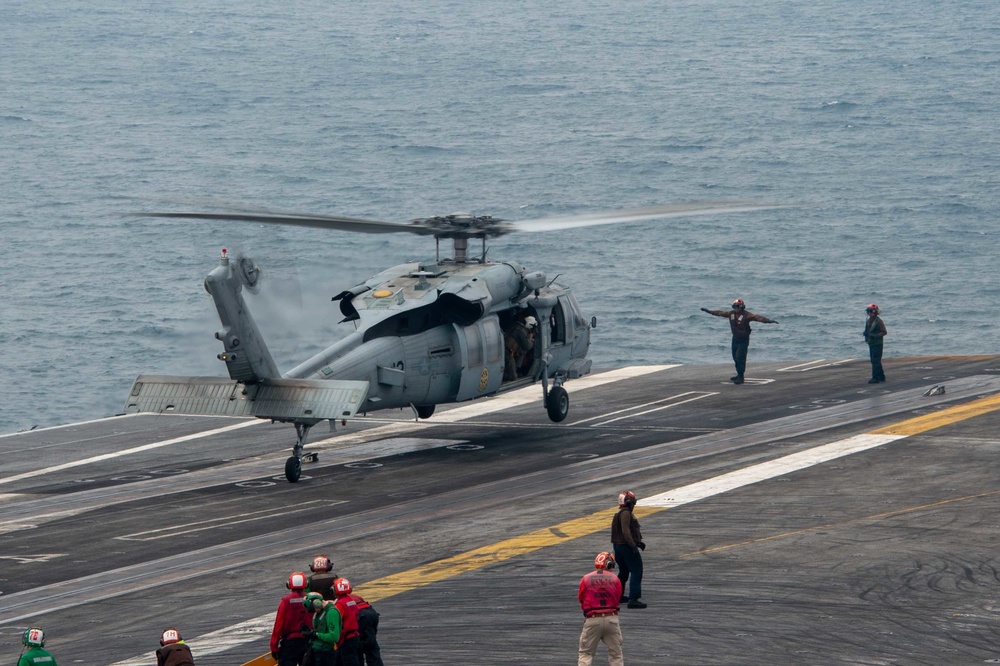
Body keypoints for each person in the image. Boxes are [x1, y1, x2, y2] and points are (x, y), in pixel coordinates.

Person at [701, 299, 778, 384]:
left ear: (742, 307)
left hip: (743, 340)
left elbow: (757, 317)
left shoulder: (747, 315)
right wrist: (709, 311)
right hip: (735, 339)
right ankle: (738, 374)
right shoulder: (731, 314)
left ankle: (741, 377)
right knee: (735, 357)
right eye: (734, 307)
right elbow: (720, 313)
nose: (736, 308)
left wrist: (768, 321)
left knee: (740, 357)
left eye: (738, 307)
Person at [577, 552, 624, 666]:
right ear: (610, 564)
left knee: (586, 654)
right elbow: (618, 596)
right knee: (616, 654)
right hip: (611, 618)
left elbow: (581, 598)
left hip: (592, 618)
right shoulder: (615, 579)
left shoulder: (586, 578)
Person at [610, 491, 646, 609]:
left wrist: (639, 543)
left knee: (624, 572)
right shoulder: (625, 514)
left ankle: (618, 595)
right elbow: (626, 532)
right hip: (626, 547)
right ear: (629, 502)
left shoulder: (619, 512)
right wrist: (633, 546)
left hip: (618, 547)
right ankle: (633, 599)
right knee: (636, 570)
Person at [270, 572, 313, 665]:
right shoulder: (310, 599)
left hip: (290, 643)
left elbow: (278, 625)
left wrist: (274, 647)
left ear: (289, 584)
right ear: (306, 584)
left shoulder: (285, 601)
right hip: (308, 642)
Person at [302, 591, 340, 666]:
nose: (314, 612)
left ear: (317, 603)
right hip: (317, 650)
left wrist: (316, 634)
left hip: (325, 653)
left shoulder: (331, 613)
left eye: (313, 609)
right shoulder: (321, 611)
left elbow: (334, 637)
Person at [349, 589, 385, 666]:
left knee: (358, 647)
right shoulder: (355, 596)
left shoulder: (339, 601)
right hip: (372, 612)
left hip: (362, 616)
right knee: (371, 644)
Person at [332, 578, 362, 666]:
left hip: (346, 638)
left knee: (348, 661)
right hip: (354, 635)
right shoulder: (351, 600)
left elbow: (337, 621)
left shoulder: (340, 604)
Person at [504, 315, 537, 380]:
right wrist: (530, 340)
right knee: (513, 377)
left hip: (507, 350)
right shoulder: (521, 331)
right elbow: (527, 346)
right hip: (507, 352)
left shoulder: (517, 327)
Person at [864, 303, 887, 383]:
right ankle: (881, 376)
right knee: (875, 360)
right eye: (868, 311)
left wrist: (876, 336)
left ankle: (876, 377)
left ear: (875, 312)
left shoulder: (879, 321)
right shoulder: (868, 321)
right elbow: (867, 330)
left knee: (875, 360)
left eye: (871, 311)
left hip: (877, 343)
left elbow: (884, 332)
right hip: (871, 343)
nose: (869, 313)